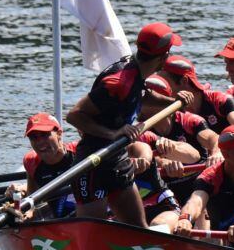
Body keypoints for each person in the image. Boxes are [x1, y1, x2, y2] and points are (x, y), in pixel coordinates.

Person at [65, 22, 181, 227]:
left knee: (139, 229)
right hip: (93, 162)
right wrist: (112, 133)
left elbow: (143, 96)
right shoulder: (118, 82)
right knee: (92, 230)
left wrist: (174, 103)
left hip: (117, 159)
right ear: (164, 57)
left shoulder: (137, 74)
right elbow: (75, 116)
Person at [138, 74, 219, 205]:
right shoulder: (140, 130)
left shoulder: (189, 120)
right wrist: (164, 163)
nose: (140, 106)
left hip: (198, 183)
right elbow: (145, 156)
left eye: (147, 99)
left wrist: (217, 153)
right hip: (164, 188)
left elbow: (213, 139)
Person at [7, 112, 77, 219]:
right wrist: (19, 196)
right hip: (61, 223)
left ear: (59, 133)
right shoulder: (31, 161)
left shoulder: (80, 152)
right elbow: (32, 201)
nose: (40, 142)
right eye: (33, 137)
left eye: (45, 135)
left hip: (92, 218)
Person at [163, 55, 234, 130]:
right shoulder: (167, 111)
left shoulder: (221, 101)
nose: (162, 87)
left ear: (184, 81)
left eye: (165, 82)